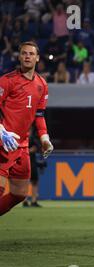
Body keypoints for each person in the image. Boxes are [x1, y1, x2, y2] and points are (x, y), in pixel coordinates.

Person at [0, 41, 54, 217]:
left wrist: (45, 138)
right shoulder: (7, 81)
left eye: (31, 53)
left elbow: (39, 115)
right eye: (24, 53)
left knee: (19, 194)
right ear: (19, 57)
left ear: (37, 58)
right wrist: (1, 131)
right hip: (3, 143)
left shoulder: (42, 84)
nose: (27, 56)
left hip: (22, 146)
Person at [23, 128, 46, 207]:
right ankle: (25, 200)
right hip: (24, 162)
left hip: (32, 162)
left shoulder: (33, 139)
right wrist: (28, 150)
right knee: (24, 182)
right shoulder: (21, 138)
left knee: (34, 181)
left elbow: (38, 147)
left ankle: (33, 201)